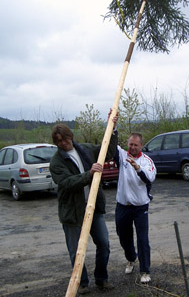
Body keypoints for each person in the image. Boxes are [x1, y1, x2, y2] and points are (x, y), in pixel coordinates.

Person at [50, 112, 118, 294]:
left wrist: (112, 129)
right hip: (73, 212)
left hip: (94, 207)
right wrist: (88, 174)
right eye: (59, 142)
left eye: (64, 139)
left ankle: (102, 279)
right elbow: (67, 183)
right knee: (76, 251)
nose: (63, 144)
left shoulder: (86, 149)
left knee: (103, 243)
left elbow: (108, 152)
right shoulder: (56, 162)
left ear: (70, 136)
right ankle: (82, 282)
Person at [114, 133, 156, 284]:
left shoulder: (147, 161)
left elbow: (148, 178)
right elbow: (112, 145)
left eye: (135, 145)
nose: (132, 147)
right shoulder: (122, 155)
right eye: (130, 144)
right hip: (123, 206)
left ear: (141, 146)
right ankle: (131, 258)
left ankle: (145, 271)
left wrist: (137, 167)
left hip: (140, 207)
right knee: (123, 236)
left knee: (143, 239)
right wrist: (113, 127)